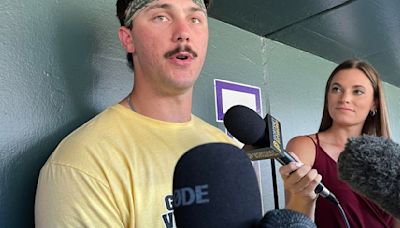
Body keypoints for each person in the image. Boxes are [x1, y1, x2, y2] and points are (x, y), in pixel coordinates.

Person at [35, 0, 234, 227]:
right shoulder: (82, 164)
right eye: (162, 17)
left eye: (195, 19)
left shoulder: (225, 149)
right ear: (128, 39)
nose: (183, 33)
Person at [279, 59, 400, 227]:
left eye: (357, 91)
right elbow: (296, 220)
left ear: (375, 103)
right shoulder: (305, 147)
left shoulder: (392, 157)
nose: (344, 98)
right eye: (336, 89)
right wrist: (302, 198)